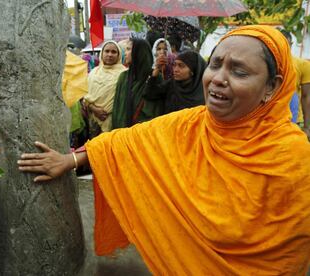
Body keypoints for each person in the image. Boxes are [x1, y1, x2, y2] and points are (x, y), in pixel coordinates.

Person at [18, 25, 310, 274]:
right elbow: (125, 143)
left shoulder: (293, 158)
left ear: (272, 87)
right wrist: (68, 160)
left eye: (240, 72)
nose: (218, 78)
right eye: (216, 64)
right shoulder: (190, 125)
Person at [111, 38, 163, 129]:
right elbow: (117, 109)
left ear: (139, 52)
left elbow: (156, 109)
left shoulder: (155, 77)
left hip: (145, 133)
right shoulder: (123, 77)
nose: (125, 53)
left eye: (128, 49)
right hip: (123, 135)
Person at [82, 41, 126, 137]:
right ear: (102, 53)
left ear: (119, 55)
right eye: (107, 51)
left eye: (114, 52)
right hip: (93, 121)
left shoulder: (124, 74)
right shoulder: (93, 73)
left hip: (114, 122)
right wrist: (94, 109)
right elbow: (85, 95)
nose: (110, 55)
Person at [145, 50, 206, 114]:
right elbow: (149, 94)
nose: (175, 70)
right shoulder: (172, 84)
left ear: (193, 70)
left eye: (181, 66)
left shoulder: (204, 92)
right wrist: (156, 71)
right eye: (174, 65)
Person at [280, 30, 310, 138]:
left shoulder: (303, 65)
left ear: (291, 44)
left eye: (285, 44)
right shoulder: (267, 66)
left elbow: (306, 97)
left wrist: (306, 127)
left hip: (294, 120)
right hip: (270, 120)